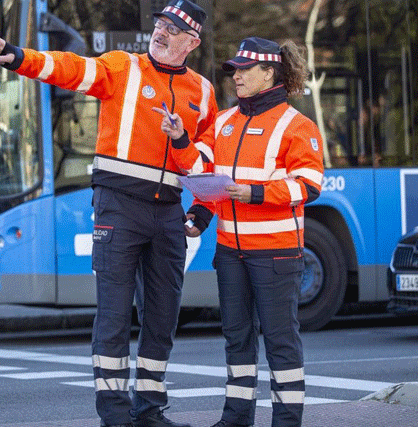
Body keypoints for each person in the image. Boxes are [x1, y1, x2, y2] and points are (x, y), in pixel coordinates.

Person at [0, 1, 217, 426]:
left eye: (174, 28)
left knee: (163, 316)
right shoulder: (122, 67)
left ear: (192, 41)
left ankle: (149, 411)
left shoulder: (202, 91)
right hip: (118, 205)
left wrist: (201, 211)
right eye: (161, 24)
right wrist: (21, 57)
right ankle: (114, 414)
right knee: (113, 313)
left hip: (168, 211)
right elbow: (71, 68)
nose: (162, 33)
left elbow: (207, 161)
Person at [156, 37, 324, 427]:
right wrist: (181, 140)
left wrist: (255, 193)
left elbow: (309, 185)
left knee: (281, 342)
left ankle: (286, 421)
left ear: (269, 73)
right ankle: (235, 419)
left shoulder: (297, 125)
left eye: (245, 70)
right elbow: (203, 172)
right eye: (234, 70)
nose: (236, 77)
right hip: (231, 252)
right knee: (237, 338)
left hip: (277, 253)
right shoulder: (224, 122)